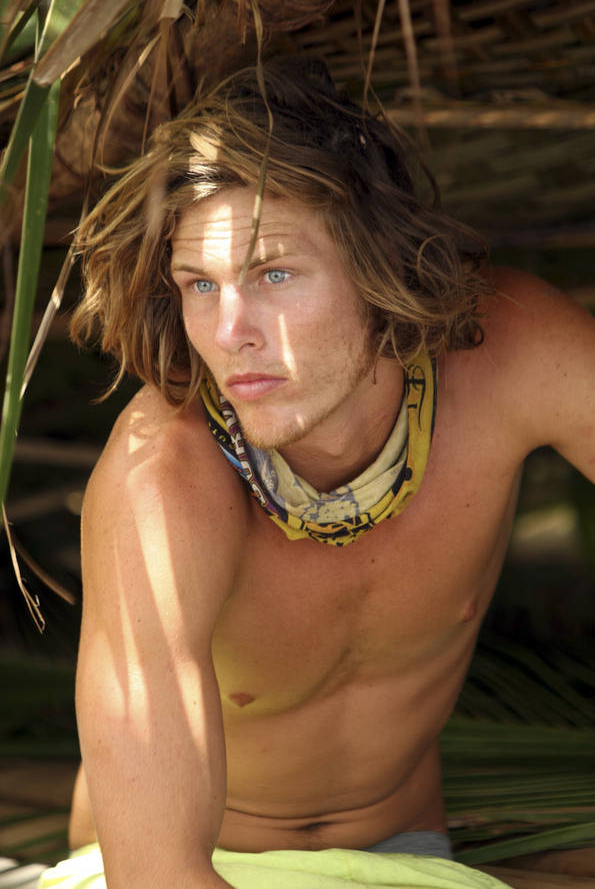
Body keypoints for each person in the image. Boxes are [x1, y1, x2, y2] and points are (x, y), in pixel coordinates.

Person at [56, 60, 594, 888]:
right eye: (200, 284)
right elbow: (158, 874)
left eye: (273, 273)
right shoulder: (158, 481)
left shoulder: (511, 355)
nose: (230, 331)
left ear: (382, 267)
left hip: (407, 860)